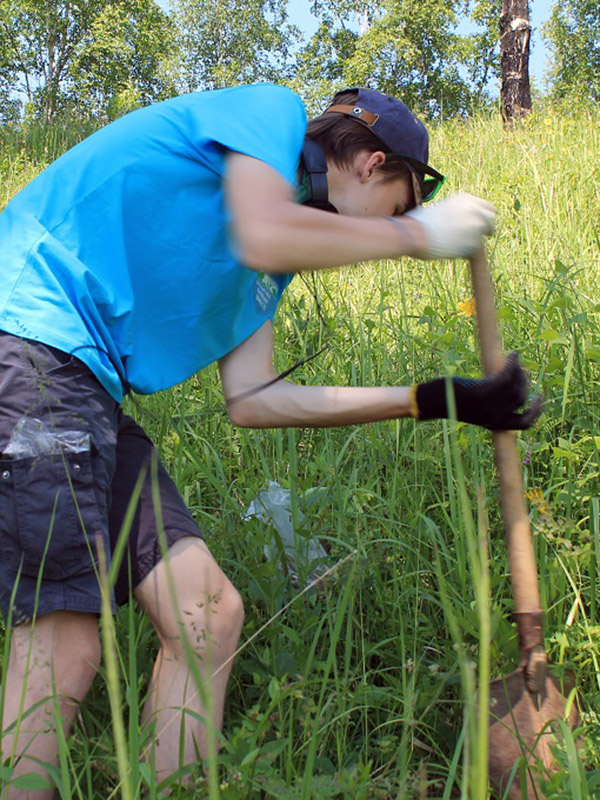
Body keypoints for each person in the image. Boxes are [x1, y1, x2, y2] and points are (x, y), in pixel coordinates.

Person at [0, 83, 538, 797]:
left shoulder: (271, 271)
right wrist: (417, 236)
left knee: (206, 616)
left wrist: (433, 400)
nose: (399, 221)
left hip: (82, 384)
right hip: (28, 343)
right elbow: (265, 229)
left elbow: (256, 400)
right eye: (403, 203)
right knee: (64, 636)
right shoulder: (271, 116)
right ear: (374, 163)